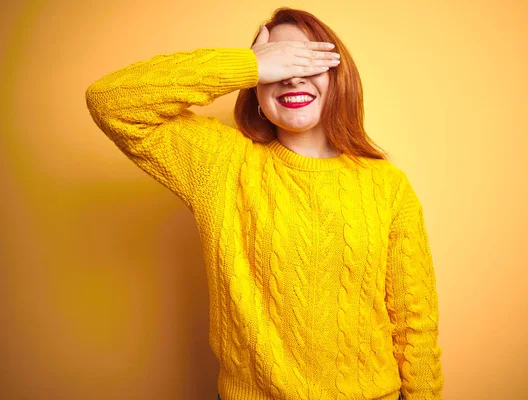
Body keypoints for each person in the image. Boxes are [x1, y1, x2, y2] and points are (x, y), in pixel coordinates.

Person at [85, 6, 443, 400]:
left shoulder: (386, 185)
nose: (292, 76)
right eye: (279, 64)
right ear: (257, 85)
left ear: (338, 77)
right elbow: (111, 101)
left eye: (307, 61)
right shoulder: (222, 164)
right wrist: (247, 64)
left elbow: (414, 323)